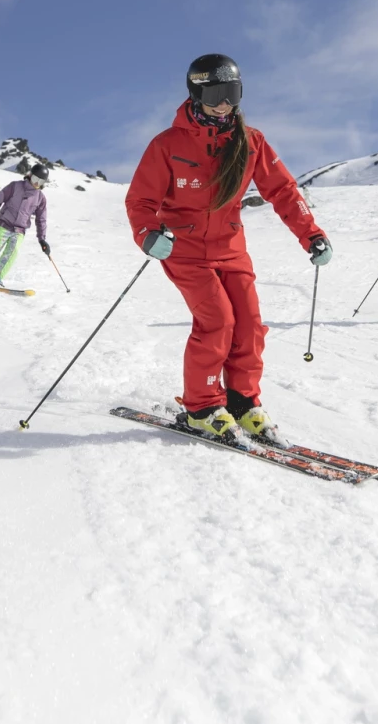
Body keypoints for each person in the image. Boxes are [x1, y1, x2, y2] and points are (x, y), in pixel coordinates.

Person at [125, 53, 331, 445]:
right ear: (196, 92)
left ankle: (242, 402)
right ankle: (201, 407)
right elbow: (140, 201)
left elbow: (283, 191)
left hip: (231, 247)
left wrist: (312, 233)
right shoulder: (168, 145)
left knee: (249, 324)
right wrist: (148, 234)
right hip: (184, 249)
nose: (225, 103)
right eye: (216, 93)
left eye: (233, 92)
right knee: (217, 321)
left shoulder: (251, 141)